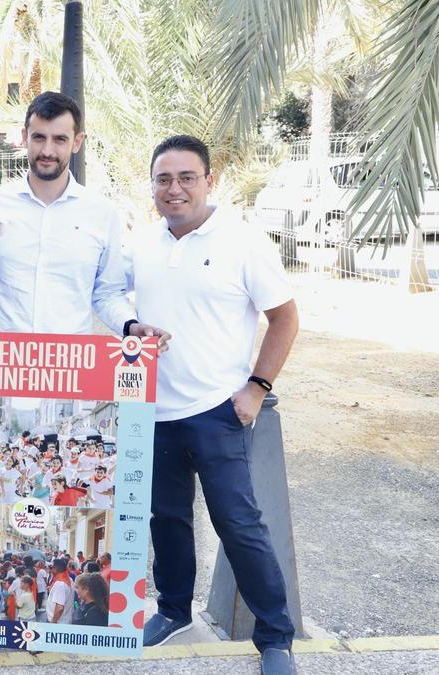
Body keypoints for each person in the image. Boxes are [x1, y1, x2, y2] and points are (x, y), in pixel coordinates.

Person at [131, 136, 299, 675]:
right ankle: (173, 609)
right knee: (167, 520)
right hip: (152, 411)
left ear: (209, 180)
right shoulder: (143, 242)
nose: (174, 188)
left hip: (216, 412)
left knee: (239, 525)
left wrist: (256, 387)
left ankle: (276, 639)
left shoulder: (243, 242)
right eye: (163, 179)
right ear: (152, 186)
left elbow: (285, 317)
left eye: (186, 177)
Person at [0, 92, 170, 351]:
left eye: (60, 139)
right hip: (0, 370)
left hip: (69, 373)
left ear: (77, 142)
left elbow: (107, 293)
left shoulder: (102, 214)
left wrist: (131, 325)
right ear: (25, 137)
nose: (48, 151)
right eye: (39, 137)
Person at [45, 558, 74, 624]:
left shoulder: (60, 584)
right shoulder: (69, 579)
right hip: (64, 620)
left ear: (55, 568)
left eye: (51, 567)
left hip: (58, 622)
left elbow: (59, 607)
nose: (50, 570)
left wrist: (53, 622)